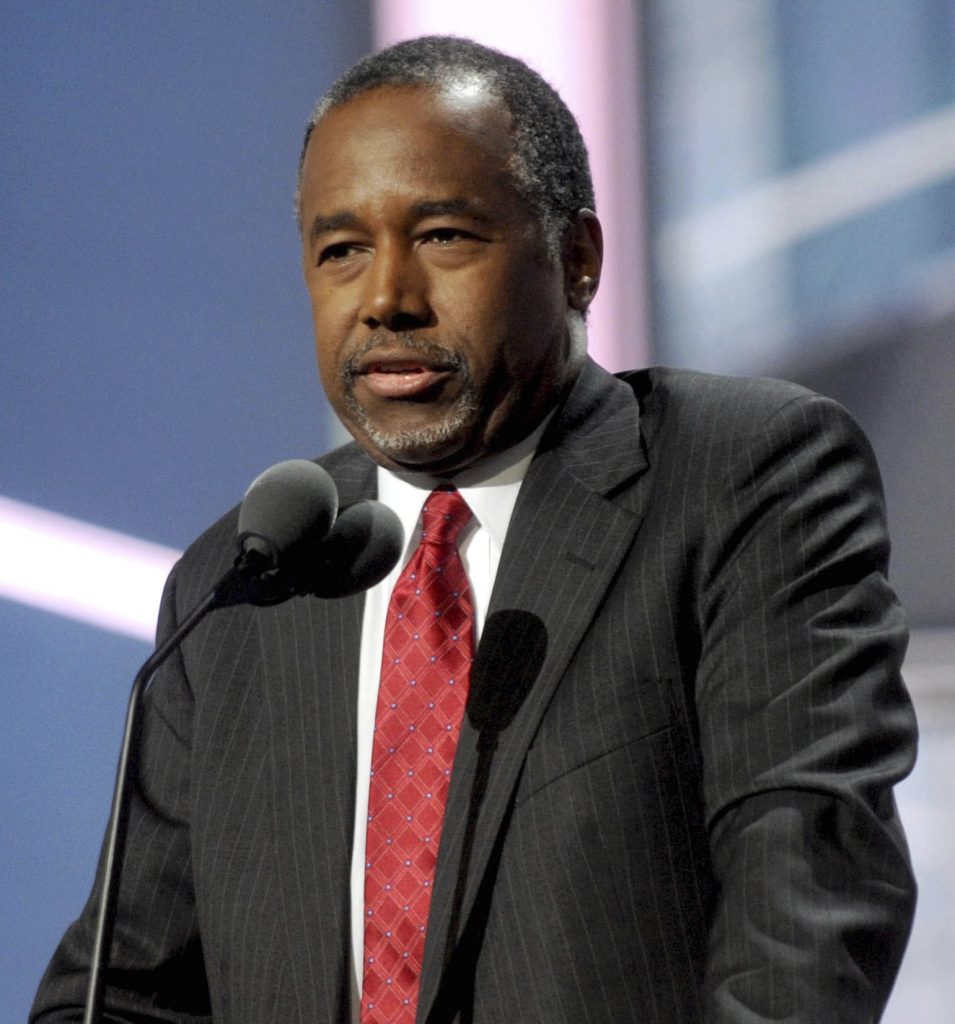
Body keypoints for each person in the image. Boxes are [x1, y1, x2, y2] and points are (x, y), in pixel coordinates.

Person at [32, 35, 917, 1024]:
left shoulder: (739, 476)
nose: (386, 300)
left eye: (444, 236)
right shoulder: (239, 584)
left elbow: (806, 921)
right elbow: (118, 994)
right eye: (341, 251)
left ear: (576, 259)